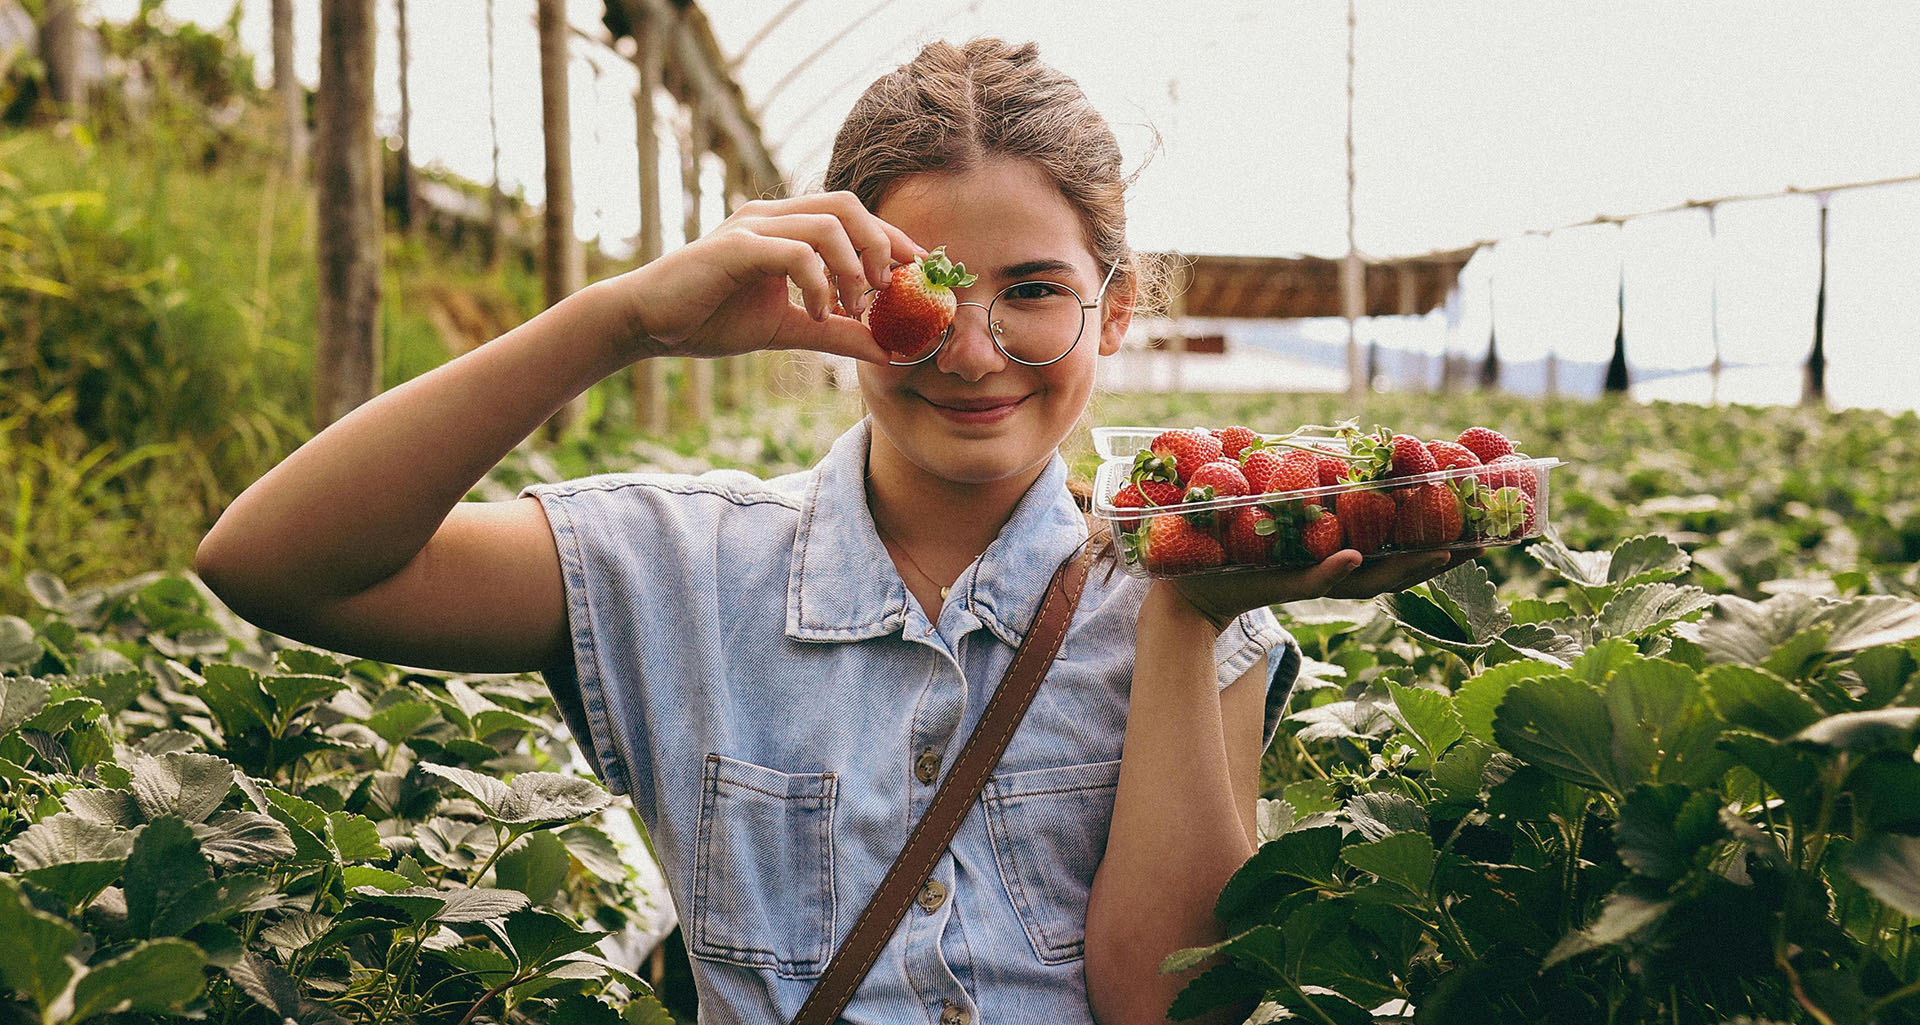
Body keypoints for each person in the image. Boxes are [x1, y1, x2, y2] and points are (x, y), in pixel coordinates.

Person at [196, 37, 1468, 1025]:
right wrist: (623, 321)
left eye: (1035, 291)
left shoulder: (1193, 593)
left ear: (1117, 307)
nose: (972, 352)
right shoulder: (679, 568)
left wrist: (1188, 617)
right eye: (925, 289)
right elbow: (272, 562)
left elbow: (1163, 1004)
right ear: (836, 282)